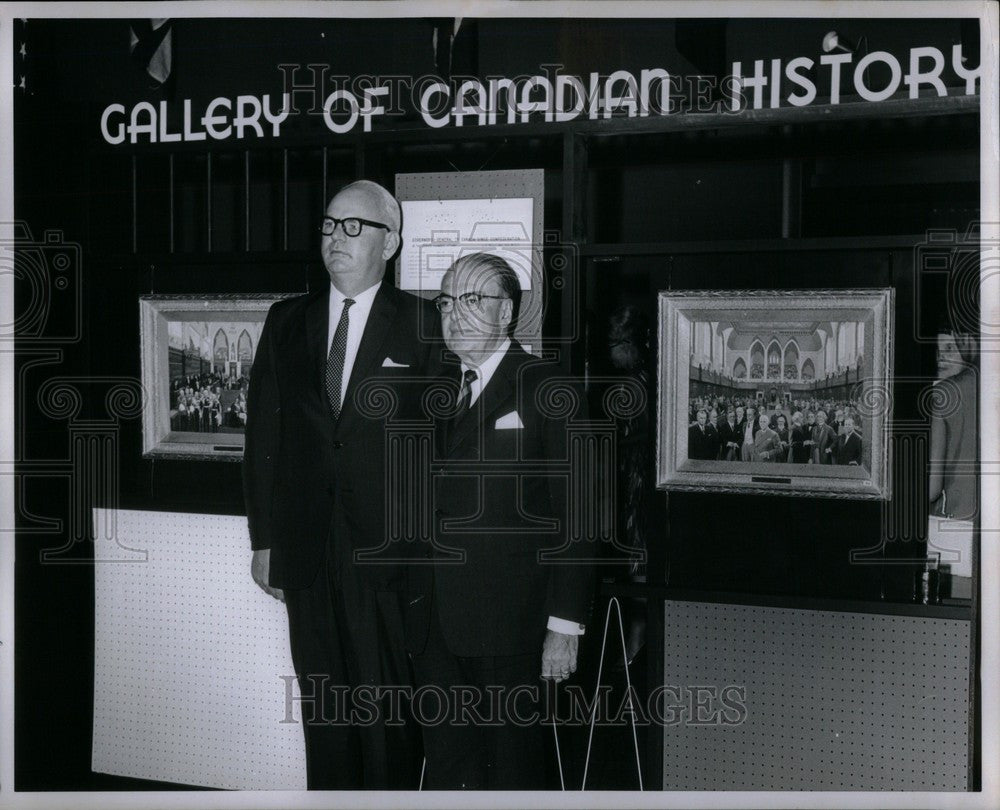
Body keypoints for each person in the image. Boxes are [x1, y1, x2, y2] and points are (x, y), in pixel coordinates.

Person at [243, 180, 440, 789]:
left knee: (388, 719)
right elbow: (264, 438)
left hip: (388, 557)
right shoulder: (286, 320)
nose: (336, 238)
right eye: (329, 225)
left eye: (354, 227)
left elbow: (442, 445)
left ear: (392, 241)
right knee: (324, 713)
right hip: (306, 552)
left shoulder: (424, 323)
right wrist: (264, 539)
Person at [405, 253, 594, 790]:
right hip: (434, 622)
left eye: (471, 300)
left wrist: (564, 626)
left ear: (507, 312)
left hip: (513, 627)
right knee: (447, 770)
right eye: (446, 302)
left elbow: (579, 517)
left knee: (510, 774)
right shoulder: (432, 387)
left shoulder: (547, 388)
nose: (454, 315)